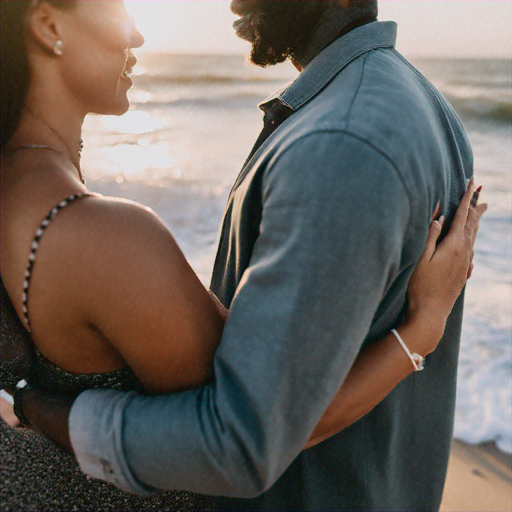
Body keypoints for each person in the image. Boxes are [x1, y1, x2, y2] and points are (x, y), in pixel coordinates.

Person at [0, 0, 485, 511]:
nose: (138, 36)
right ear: (48, 26)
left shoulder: (24, 189)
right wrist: (419, 333)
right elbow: (250, 435)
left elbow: (248, 432)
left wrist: (31, 406)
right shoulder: (101, 232)